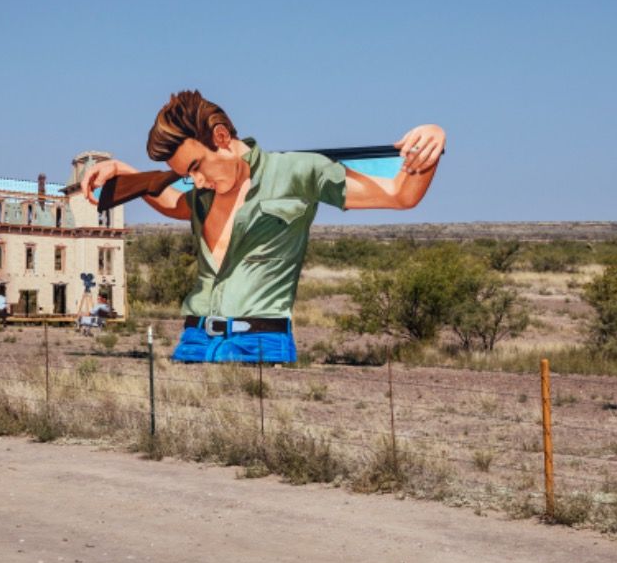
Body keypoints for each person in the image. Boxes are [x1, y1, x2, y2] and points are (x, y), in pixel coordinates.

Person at [80, 90, 445, 363]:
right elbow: (170, 200)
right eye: (185, 175)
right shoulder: (201, 196)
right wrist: (124, 172)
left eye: (196, 167)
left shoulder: (298, 172)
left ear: (221, 138)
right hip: (193, 342)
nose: (197, 181)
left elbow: (399, 194)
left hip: (260, 346)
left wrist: (432, 138)